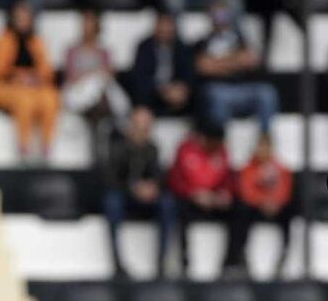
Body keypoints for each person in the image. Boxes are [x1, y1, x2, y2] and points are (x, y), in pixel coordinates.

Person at [0, 0, 58, 164]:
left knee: (50, 98)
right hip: (6, 86)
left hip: (32, 87)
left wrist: (33, 78)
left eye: (26, 17)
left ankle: (46, 147)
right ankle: (23, 148)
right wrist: (18, 76)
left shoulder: (36, 41)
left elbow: (46, 71)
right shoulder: (3, 40)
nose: (22, 21)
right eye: (19, 17)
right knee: (24, 101)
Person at [103, 107, 176, 280]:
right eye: (138, 126)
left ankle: (161, 263)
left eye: (146, 127)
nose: (142, 131)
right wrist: (133, 188)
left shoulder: (152, 148)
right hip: (124, 196)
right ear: (130, 126)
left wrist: (152, 187)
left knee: (167, 204)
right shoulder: (117, 147)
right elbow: (110, 179)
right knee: (112, 202)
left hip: (146, 198)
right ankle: (117, 262)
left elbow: (158, 176)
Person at [193, 0, 280, 134]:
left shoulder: (240, 39)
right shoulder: (203, 42)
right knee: (214, 95)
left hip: (242, 88)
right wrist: (235, 61)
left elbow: (251, 60)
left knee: (266, 93)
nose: (220, 18)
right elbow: (203, 67)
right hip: (217, 89)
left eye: (223, 14)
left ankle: (264, 137)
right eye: (217, 14)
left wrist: (218, 64)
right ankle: (219, 138)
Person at [62, 7, 131, 164]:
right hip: (79, 92)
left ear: (96, 26)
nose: (86, 26)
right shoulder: (72, 51)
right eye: (84, 22)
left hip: (100, 92)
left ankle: (105, 115)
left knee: (102, 84)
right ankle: (99, 112)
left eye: (90, 22)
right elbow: (70, 76)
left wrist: (97, 75)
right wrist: (92, 74)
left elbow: (109, 74)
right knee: (94, 83)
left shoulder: (104, 52)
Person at [167, 120, 235, 276]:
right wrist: (193, 193)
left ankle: (232, 260)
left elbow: (227, 179)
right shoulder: (185, 150)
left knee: (239, 208)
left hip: (214, 201)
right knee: (176, 207)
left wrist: (223, 194)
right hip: (190, 200)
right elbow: (175, 180)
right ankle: (184, 259)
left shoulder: (221, 152)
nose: (215, 146)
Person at [226, 134, 295, 278]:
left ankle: (285, 251)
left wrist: (274, 202)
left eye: (266, 146)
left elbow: (285, 190)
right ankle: (240, 254)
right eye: (260, 146)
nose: (263, 150)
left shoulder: (280, 169)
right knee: (241, 211)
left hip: (275, 208)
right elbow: (246, 192)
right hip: (255, 208)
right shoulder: (248, 169)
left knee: (290, 210)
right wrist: (263, 202)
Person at [130, 10, 194, 115]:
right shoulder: (144, 47)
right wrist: (163, 90)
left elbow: (188, 74)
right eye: (162, 25)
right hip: (152, 94)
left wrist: (181, 88)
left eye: (168, 26)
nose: (165, 29)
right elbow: (140, 75)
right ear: (155, 27)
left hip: (176, 95)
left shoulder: (182, 48)